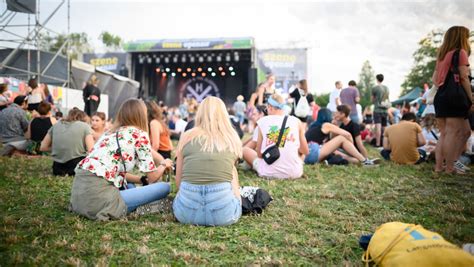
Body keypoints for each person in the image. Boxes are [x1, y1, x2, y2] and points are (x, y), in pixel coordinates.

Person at [70, 99, 173, 220]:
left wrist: (140, 180)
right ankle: (141, 207)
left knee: (129, 185)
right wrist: (164, 164)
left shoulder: (108, 133)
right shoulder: (139, 134)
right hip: (100, 202)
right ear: (142, 115)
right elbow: (152, 178)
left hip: (79, 199)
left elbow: (110, 170)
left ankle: (137, 203)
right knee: (165, 187)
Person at [173, 96, 242, 226]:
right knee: (231, 169)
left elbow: (178, 182)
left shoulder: (187, 136)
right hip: (224, 215)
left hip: (186, 214)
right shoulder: (232, 137)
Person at [432, 26, 472, 174]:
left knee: (457, 132)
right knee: (452, 132)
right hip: (454, 96)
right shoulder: (460, 52)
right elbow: (464, 77)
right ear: (462, 37)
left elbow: (434, 79)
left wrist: (443, 84)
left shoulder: (442, 55)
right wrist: (470, 97)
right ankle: (450, 167)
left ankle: (439, 167)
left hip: (441, 95)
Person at [242, 94, 309, 179]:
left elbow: (259, 154)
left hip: (268, 172)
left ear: (270, 107)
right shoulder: (296, 121)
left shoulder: (262, 122)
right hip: (295, 173)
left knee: (245, 150)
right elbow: (305, 151)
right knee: (299, 153)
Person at [304, 108, 378, 165]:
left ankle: (360, 160)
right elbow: (347, 134)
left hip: (307, 156)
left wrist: (334, 126)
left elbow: (331, 141)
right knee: (341, 138)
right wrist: (351, 148)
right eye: (332, 115)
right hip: (313, 152)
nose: (333, 117)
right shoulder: (326, 125)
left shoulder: (313, 125)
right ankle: (365, 161)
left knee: (352, 159)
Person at [40, 108, 94, 176]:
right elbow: (91, 151)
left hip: (57, 168)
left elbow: (43, 147)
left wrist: (60, 148)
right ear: (83, 118)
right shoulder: (85, 126)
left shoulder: (56, 125)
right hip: (76, 166)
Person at [371, 74, 390, 147]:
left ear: (377, 79)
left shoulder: (375, 88)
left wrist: (375, 100)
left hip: (377, 109)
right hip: (385, 110)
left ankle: (378, 143)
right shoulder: (387, 88)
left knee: (378, 127)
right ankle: (386, 143)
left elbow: (372, 100)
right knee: (385, 127)